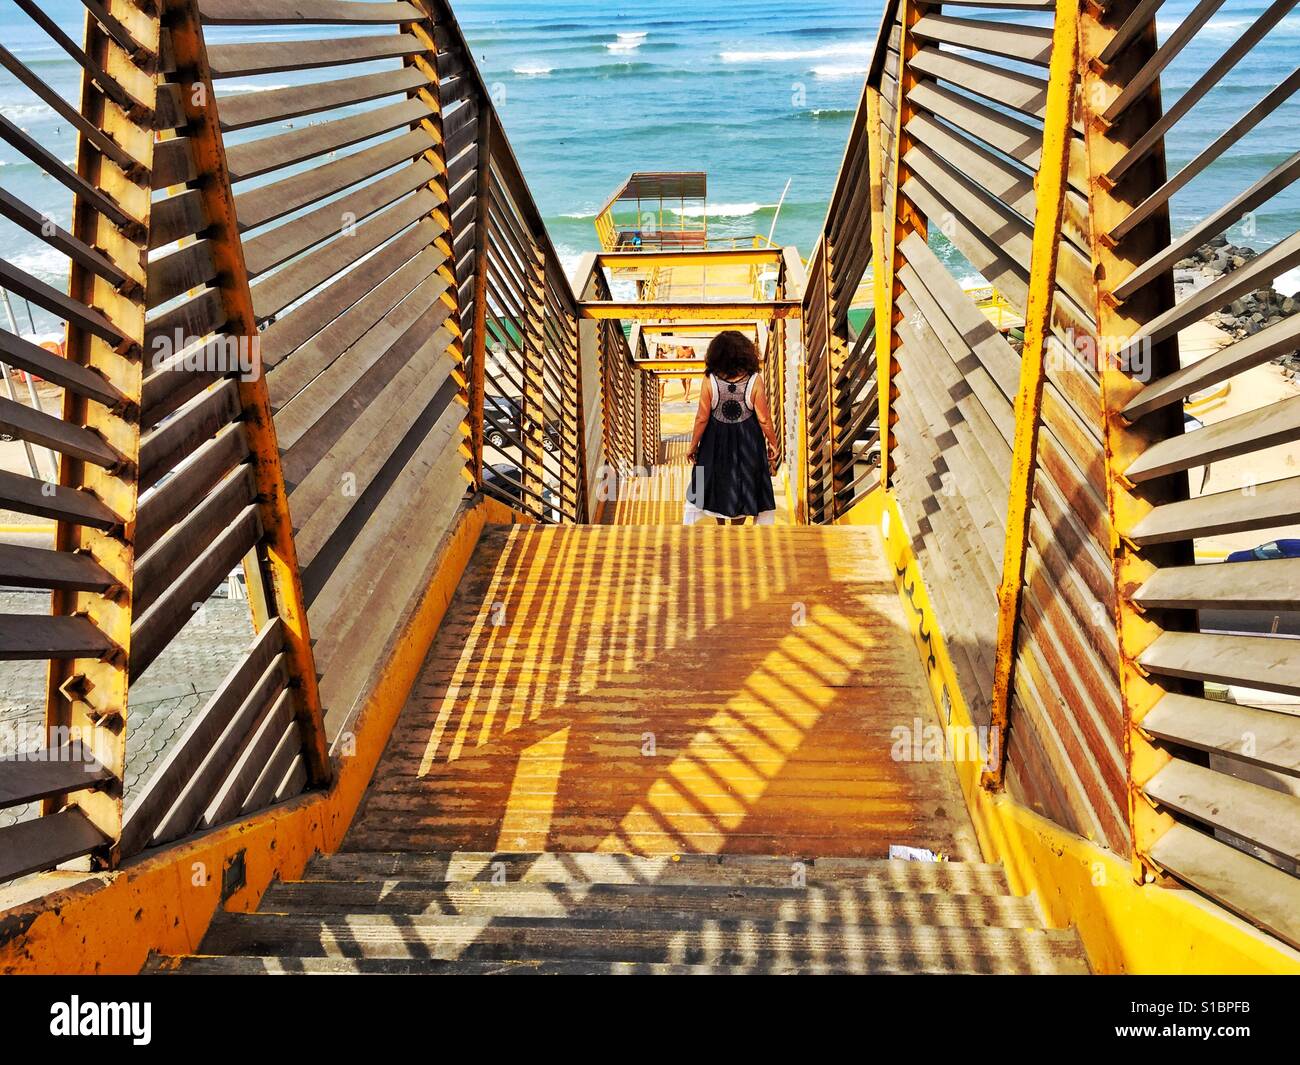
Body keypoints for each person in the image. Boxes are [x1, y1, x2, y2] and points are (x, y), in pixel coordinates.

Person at [684, 330, 779, 526]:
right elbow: (764, 418)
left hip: (715, 441)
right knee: (744, 480)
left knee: (717, 479)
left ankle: (721, 526)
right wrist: (774, 443)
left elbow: (702, 418)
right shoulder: (755, 380)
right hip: (748, 442)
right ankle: (737, 528)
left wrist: (693, 446)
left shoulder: (710, 380)